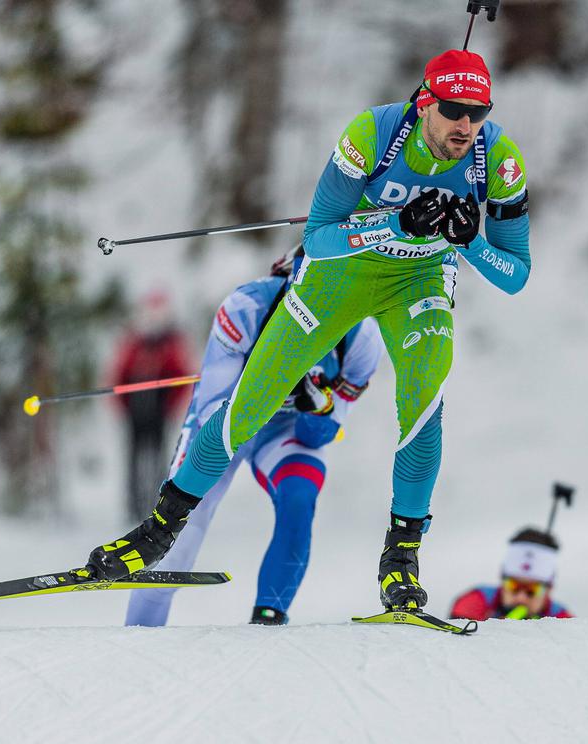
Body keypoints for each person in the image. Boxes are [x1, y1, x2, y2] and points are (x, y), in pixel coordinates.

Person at [84, 48, 531, 616]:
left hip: (419, 279)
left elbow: (515, 276)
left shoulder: (499, 159)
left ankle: (402, 557)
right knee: (250, 402)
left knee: (424, 396)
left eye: (479, 112)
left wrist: (471, 242)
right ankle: (158, 530)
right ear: (425, 104)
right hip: (339, 275)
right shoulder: (374, 135)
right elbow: (319, 237)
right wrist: (395, 221)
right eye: (453, 110)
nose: (466, 125)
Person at [125, 250, 383, 626]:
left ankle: (268, 621)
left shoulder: (362, 339)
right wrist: (273, 389)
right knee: (185, 525)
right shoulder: (245, 308)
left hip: (285, 431)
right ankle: (140, 629)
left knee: (299, 499)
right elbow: (214, 409)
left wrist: (319, 405)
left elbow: (321, 434)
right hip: (226, 424)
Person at [109, 290, 194, 520]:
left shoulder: (171, 344)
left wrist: (170, 406)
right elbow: (119, 374)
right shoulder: (134, 343)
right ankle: (134, 505)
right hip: (135, 412)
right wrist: (123, 406)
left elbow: (181, 378)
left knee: (158, 457)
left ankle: (157, 502)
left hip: (158, 411)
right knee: (134, 459)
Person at [450, 528, 573, 621]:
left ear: (549, 589)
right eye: (513, 586)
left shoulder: (562, 619)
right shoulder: (477, 599)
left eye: (532, 590)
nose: (521, 597)